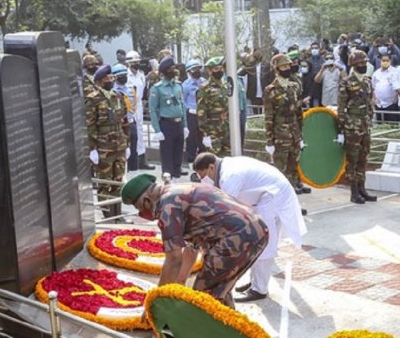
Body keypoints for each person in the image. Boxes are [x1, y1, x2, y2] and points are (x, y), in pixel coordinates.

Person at [121, 175, 269, 308]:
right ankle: (232, 330)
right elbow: (192, 248)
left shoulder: (167, 206)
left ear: (147, 200)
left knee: (201, 299)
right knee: (219, 287)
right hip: (257, 230)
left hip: (237, 238)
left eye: (139, 208)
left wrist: (157, 303)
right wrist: (180, 282)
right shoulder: (180, 189)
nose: (142, 214)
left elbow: (173, 259)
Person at [192, 153, 307, 302]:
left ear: (211, 167)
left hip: (274, 197)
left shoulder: (229, 176)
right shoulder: (225, 167)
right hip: (267, 196)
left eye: (204, 176)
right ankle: (255, 282)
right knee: (255, 240)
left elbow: (226, 210)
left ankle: (259, 289)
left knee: (264, 243)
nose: (204, 181)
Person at [86, 65, 128, 216]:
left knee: (118, 182)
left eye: (112, 78)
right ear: (100, 81)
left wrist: (126, 143)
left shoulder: (117, 95)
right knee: (105, 183)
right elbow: (90, 125)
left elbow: (124, 120)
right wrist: (92, 149)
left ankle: (117, 215)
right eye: (108, 78)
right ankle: (107, 217)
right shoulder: (93, 99)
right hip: (104, 148)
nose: (111, 80)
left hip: (119, 146)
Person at [263, 53, 308, 195]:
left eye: (288, 65)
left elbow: (298, 113)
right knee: (280, 170)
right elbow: (269, 116)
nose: (287, 68)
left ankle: (294, 203)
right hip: (280, 134)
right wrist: (270, 140)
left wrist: (300, 135)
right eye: (283, 66)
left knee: (293, 167)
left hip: (294, 132)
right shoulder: (271, 90)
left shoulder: (294, 86)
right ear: (277, 69)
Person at [338, 50, 378, 204]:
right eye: (360, 63)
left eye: (364, 63)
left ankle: (362, 188)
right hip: (352, 125)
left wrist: (370, 119)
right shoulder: (346, 82)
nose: (363, 65)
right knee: (352, 159)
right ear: (353, 65)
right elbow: (341, 107)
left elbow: (369, 103)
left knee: (363, 157)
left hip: (365, 124)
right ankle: (354, 191)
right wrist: (341, 129)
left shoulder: (367, 81)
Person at [149, 56, 188, 177]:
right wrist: (157, 130)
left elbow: (182, 106)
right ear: (165, 71)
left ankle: (177, 177)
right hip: (166, 125)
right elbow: (153, 110)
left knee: (178, 155)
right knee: (167, 156)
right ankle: (167, 180)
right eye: (171, 68)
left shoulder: (178, 85)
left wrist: (185, 125)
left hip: (178, 124)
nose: (174, 70)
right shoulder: (157, 88)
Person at [126, 51, 154, 170]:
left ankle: (142, 160)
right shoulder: (126, 76)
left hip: (139, 106)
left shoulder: (141, 75)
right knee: (132, 135)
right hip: (129, 107)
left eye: (137, 61)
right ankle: (133, 162)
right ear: (129, 63)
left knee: (141, 133)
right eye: (134, 62)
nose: (136, 64)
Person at [198, 57, 230, 157]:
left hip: (226, 129)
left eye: (221, 68)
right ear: (209, 71)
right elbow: (201, 113)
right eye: (216, 69)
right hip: (213, 130)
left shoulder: (225, 86)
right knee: (214, 160)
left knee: (228, 159)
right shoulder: (205, 89)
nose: (220, 71)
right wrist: (205, 134)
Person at [112, 64, 137, 170]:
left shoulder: (131, 88)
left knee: (133, 150)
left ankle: (133, 171)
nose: (124, 77)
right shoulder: (112, 91)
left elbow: (134, 105)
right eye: (121, 75)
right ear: (115, 77)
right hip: (120, 126)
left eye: (125, 75)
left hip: (131, 122)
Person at [182, 59, 207, 163]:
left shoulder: (204, 81)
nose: (197, 71)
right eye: (194, 69)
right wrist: (187, 111)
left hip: (203, 113)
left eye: (198, 68)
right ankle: (191, 158)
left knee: (203, 136)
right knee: (191, 137)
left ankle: (203, 157)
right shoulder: (186, 85)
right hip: (191, 113)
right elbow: (183, 100)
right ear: (189, 71)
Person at [371, 54, 400, 122]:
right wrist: (373, 98)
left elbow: (398, 86)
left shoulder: (395, 72)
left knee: (392, 123)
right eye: (383, 60)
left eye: (387, 60)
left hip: (391, 103)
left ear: (390, 61)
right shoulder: (376, 73)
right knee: (380, 124)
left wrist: (396, 97)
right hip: (379, 103)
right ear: (380, 61)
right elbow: (373, 87)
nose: (385, 62)